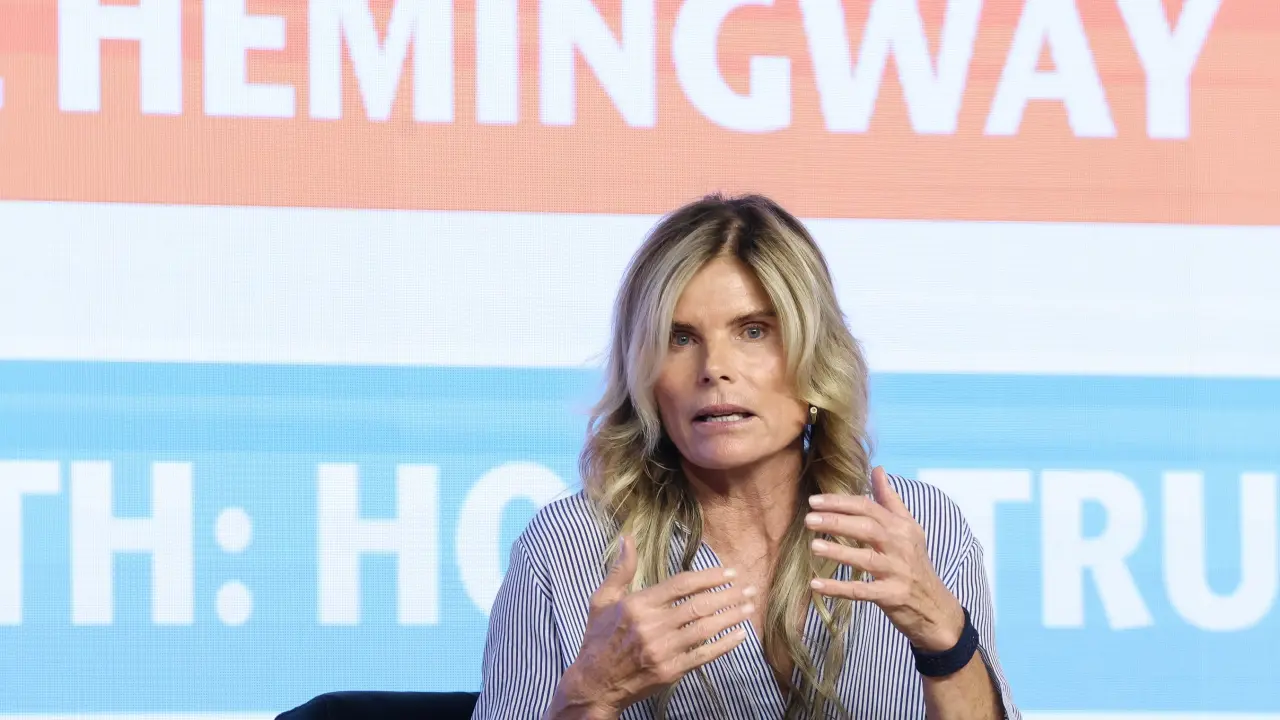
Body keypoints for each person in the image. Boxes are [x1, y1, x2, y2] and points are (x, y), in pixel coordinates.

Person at [472, 194, 1020, 719]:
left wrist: (942, 632)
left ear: (815, 359)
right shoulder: (564, 553)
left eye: (753, 332)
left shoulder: (922, 529)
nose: (715, 368)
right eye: (680, 338)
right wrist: (591, 698)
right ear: (646, 377)